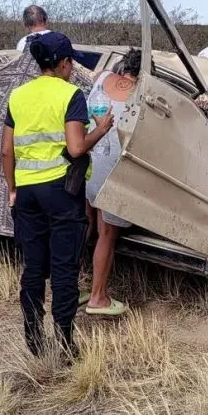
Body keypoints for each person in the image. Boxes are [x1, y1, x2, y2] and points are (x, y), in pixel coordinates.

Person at [0, 31, 114, 357]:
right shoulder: (70, 95)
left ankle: (35, 340)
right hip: (62, 191)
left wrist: (12, 188)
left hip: (27, 193)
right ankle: (65, 343)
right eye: (70, 63)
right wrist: (101, 130)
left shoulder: (18, 96)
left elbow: (7, 151)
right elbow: (76, 147)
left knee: (33, 269)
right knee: (64, 270)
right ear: (64, 63)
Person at [82, 49, 143, 316]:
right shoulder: (139, 96)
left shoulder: (101, 79)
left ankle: (71, 288)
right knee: (106, 236)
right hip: (114, 171)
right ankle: (98, 297)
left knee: (84, 228)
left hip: (89, 164)